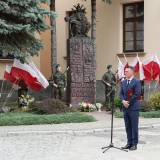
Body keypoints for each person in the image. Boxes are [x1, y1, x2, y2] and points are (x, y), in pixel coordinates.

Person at [120, 66, 141, 151]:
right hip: (125, 108)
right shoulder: (124, 82)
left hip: (133, 107)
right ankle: (129, 143)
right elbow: (120, 93)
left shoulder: (137, 82)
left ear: (132, 72)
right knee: (127, 126)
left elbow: (137, 94)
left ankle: (134, 144)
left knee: (134, 126)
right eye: (125, 71)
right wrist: (123, 101)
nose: (125, 73)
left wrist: (127, 102)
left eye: (126, 71)